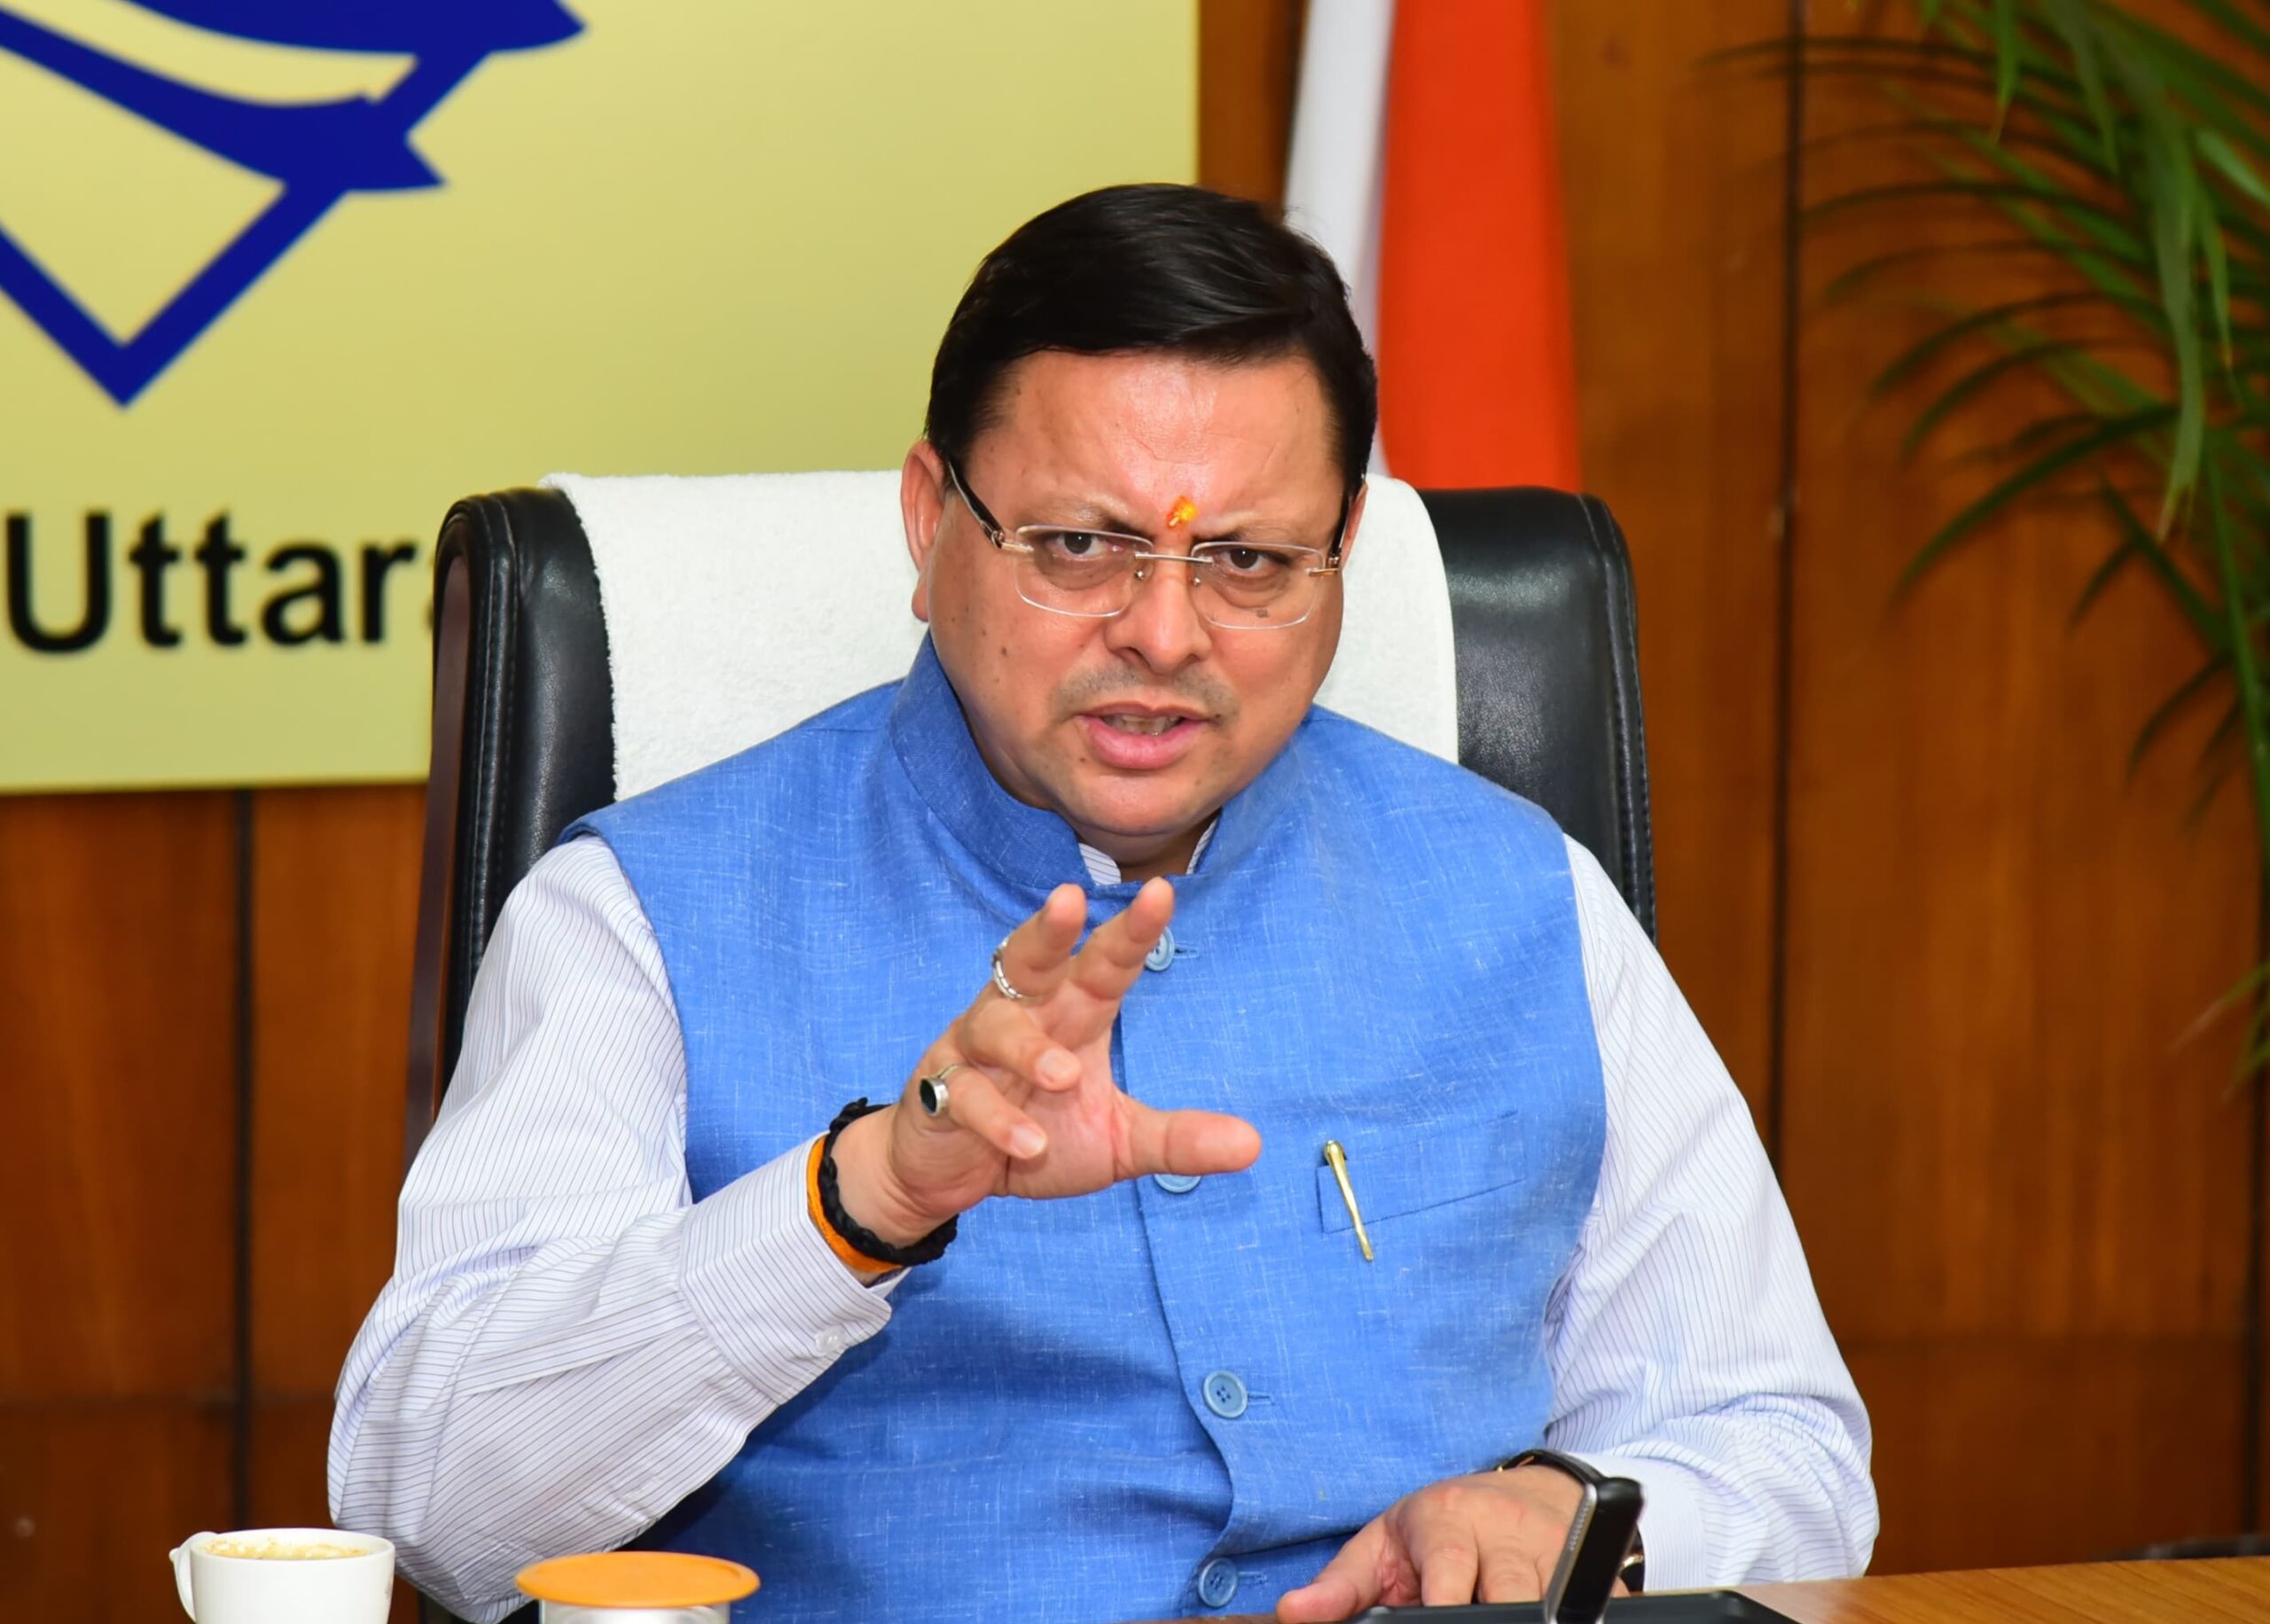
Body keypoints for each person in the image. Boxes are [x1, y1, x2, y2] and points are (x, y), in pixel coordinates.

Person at [331, 183, 1875, 1624]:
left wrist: (1578, 1513)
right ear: (930, 518)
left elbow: (1783, 1443)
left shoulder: (1527, 897)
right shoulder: (635, 915)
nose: (1165, 633)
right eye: (1081, 546)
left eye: (1252, 560)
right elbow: (437, 1506)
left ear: (1342, 554)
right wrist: (861, 1200)